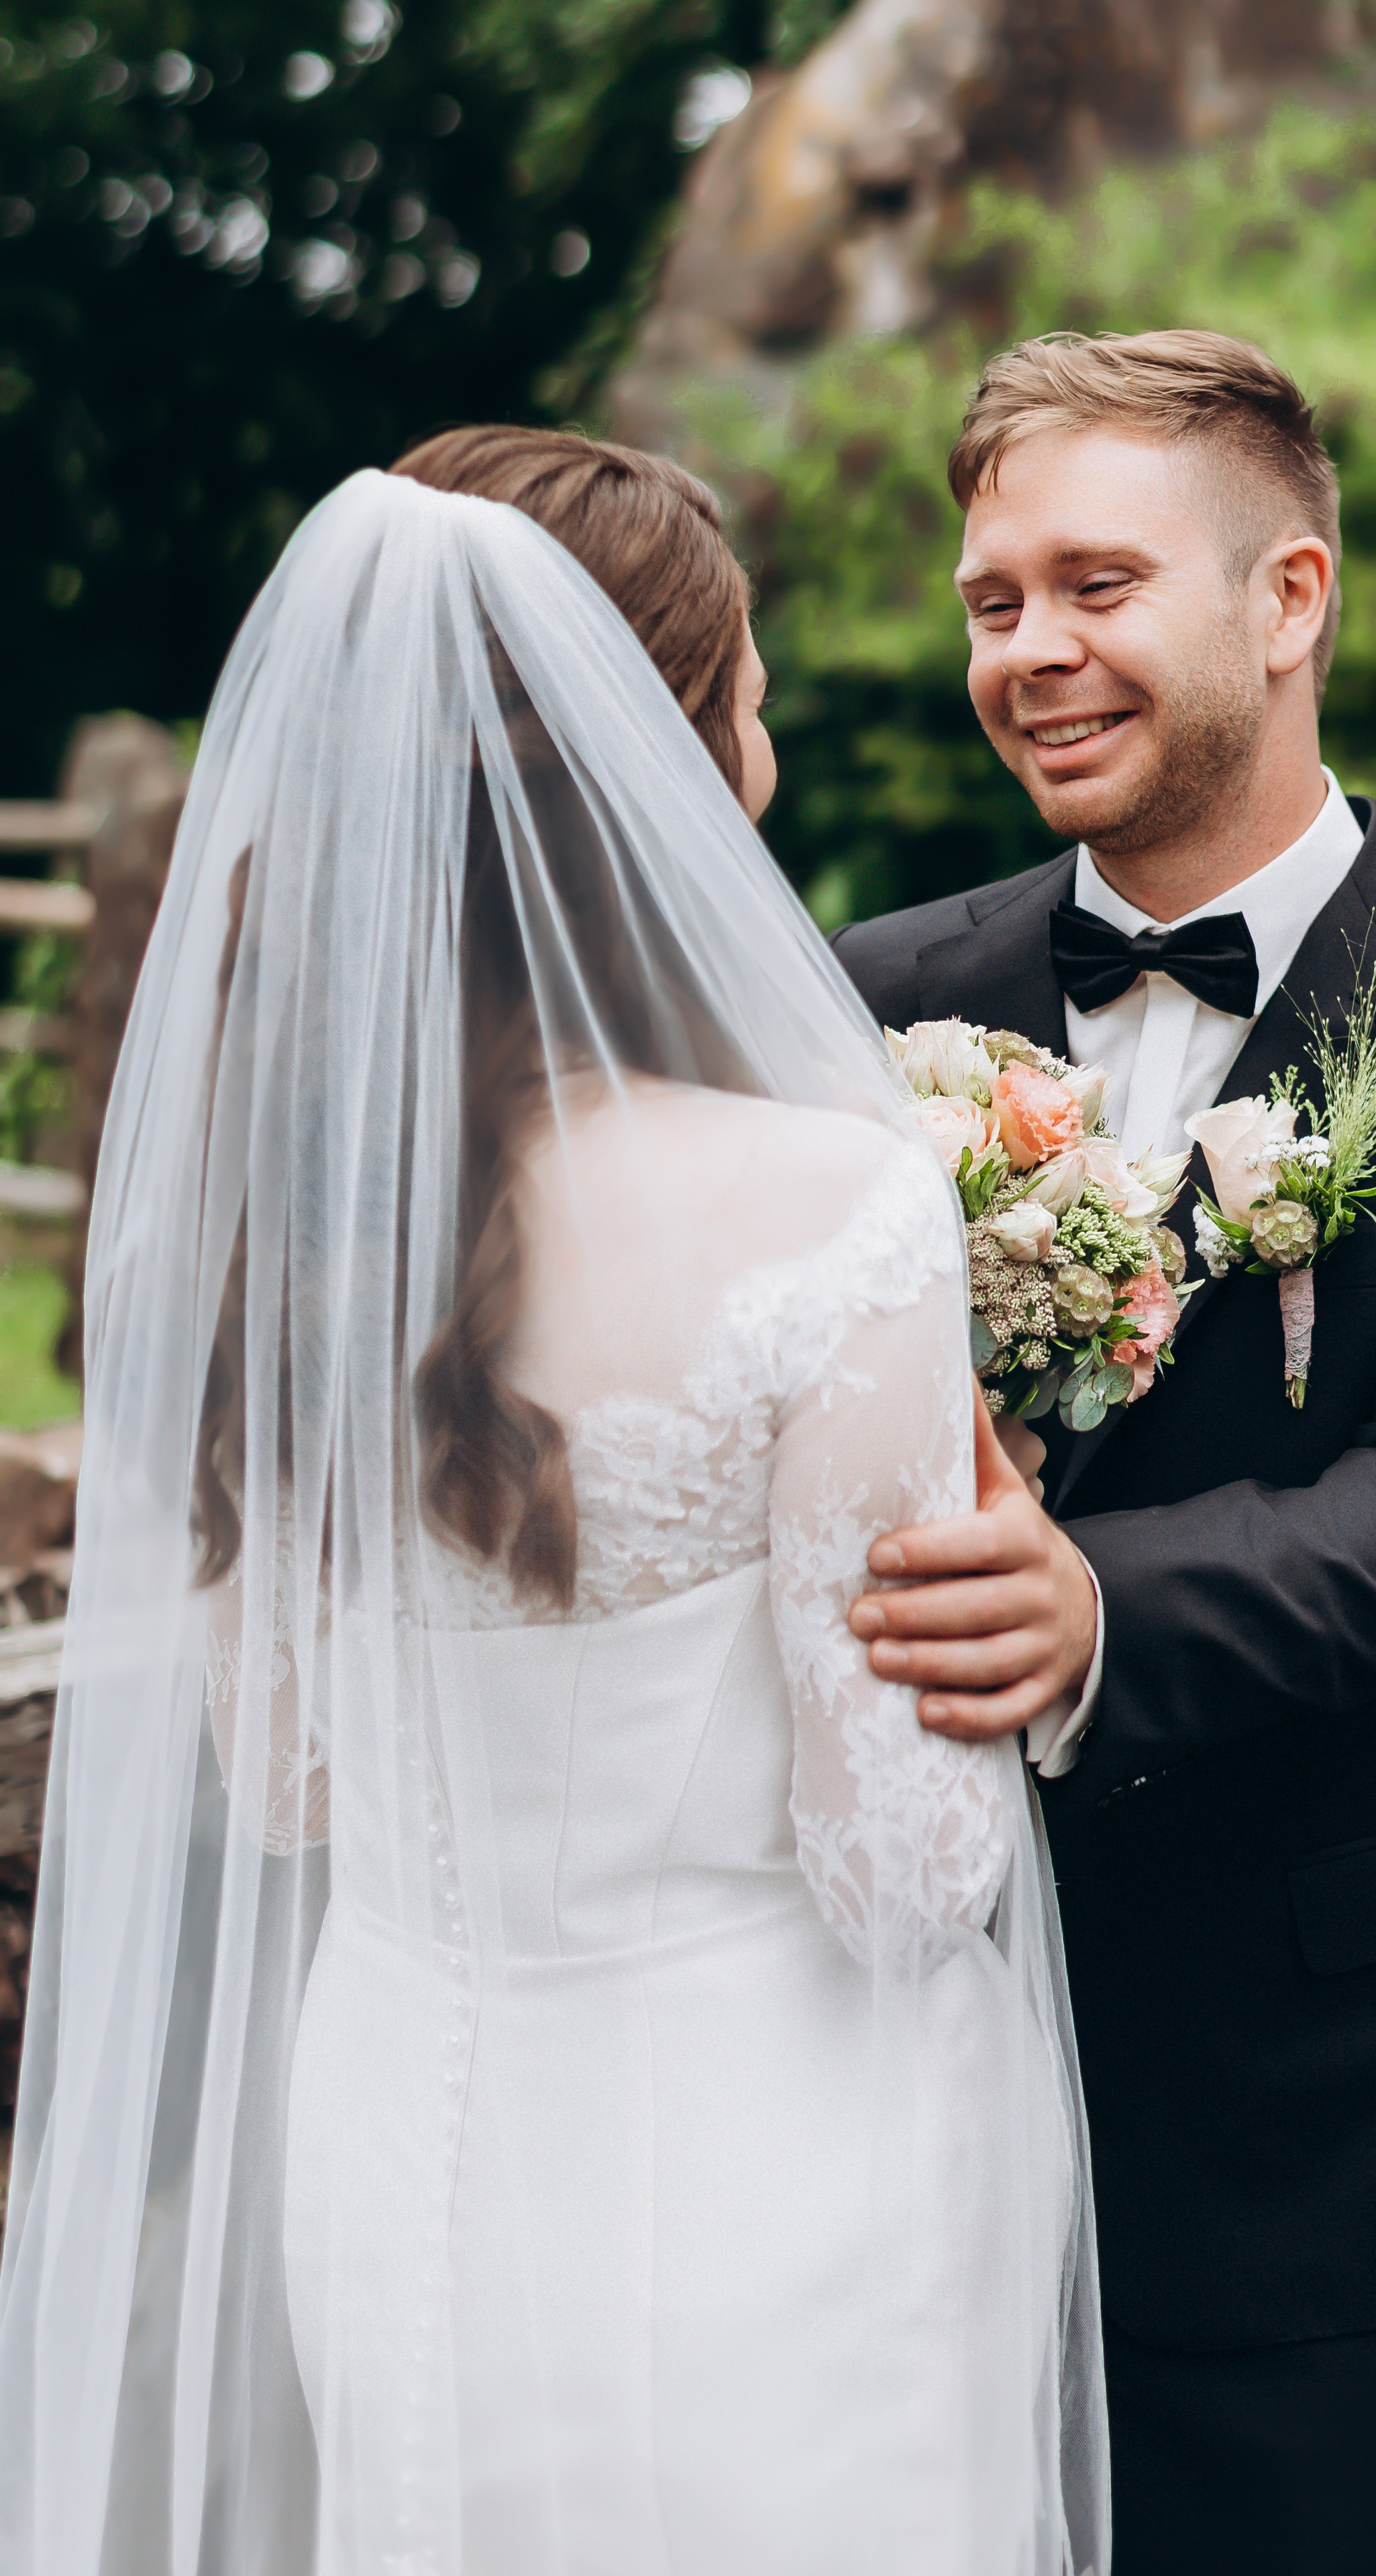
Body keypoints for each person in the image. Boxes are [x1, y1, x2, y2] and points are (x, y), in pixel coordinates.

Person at [0, 431, 1107, 2576]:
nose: (768, 746)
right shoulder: (835, 1207)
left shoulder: (267, 1221)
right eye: (750, 696)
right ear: (657, 756)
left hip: (403, 2129)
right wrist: (1017, 1594)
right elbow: (898, 1871)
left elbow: (293, 1771)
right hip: (766, 2148)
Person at [833, 330, 1376, 2576]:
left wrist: (1105, 1604)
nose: (1033, 652)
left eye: (1097, 584)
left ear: (1289, 597)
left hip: (1304, 2096)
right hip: (860, 2077)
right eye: (994, 599)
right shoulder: (860, 997)